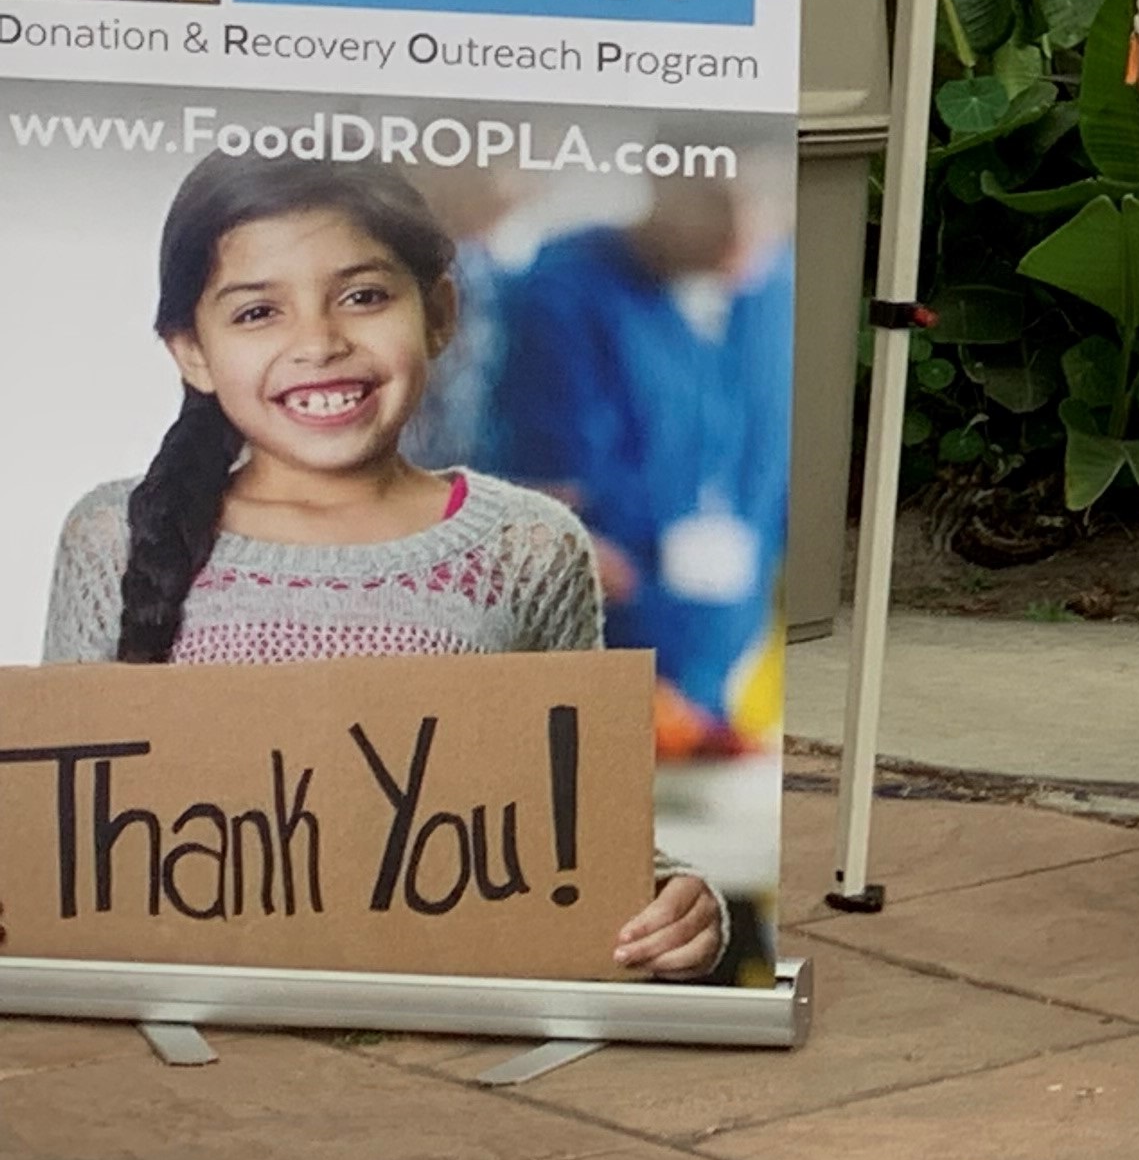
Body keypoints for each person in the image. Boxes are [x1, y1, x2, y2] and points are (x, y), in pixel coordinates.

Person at [41, 151, 726, 978]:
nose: (320, 344)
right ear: (191, 351)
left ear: (438, 311)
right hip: (185, 1025)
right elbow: (63, 835)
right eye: (258, 312)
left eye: (363, 297)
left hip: (444, 1016)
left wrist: (674, 896)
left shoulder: (531, 548)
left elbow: (569, 827)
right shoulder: (111, 536)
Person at [489, 173, 793, 761]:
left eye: (764, 206)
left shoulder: (772, 287)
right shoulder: (564, 290)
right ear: (661, 182)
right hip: (604, 641)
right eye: (717, 204)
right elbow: (547, 478)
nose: (741, 232)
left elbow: (771, 456)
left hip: (725, 644)